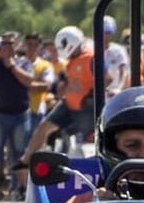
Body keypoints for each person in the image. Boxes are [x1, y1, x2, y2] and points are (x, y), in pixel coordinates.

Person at [13, 25, 95, 170]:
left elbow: (107, 78)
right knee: (45, 126)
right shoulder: (71, 61)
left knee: (87, 144)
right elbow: (68, 82)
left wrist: (94, 94)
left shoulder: (90, 58)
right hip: (69, 103)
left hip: (85, 106)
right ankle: (27, 159)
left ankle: (87, 170)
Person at [0, 30, 33, 200]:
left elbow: (28, 81)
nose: (6, 47)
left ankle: (23, 187)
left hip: (20, 114)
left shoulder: (24, 63)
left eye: (10, 43)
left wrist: (12, 65)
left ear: (17, 45)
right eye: (3, 44)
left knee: (19, 152)